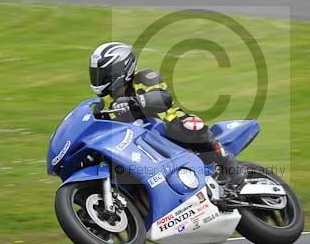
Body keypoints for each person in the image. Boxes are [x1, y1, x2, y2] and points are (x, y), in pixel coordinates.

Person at [88, 41, 245, 196]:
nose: (99, 78)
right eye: (96, 73)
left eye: (103, 73)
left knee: (186, 125)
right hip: (140, 146)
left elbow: (162, 97)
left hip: (168, 127)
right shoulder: (104, 104)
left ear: (122, 69)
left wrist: (135, 101)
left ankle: (230, 165)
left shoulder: (145, 78)